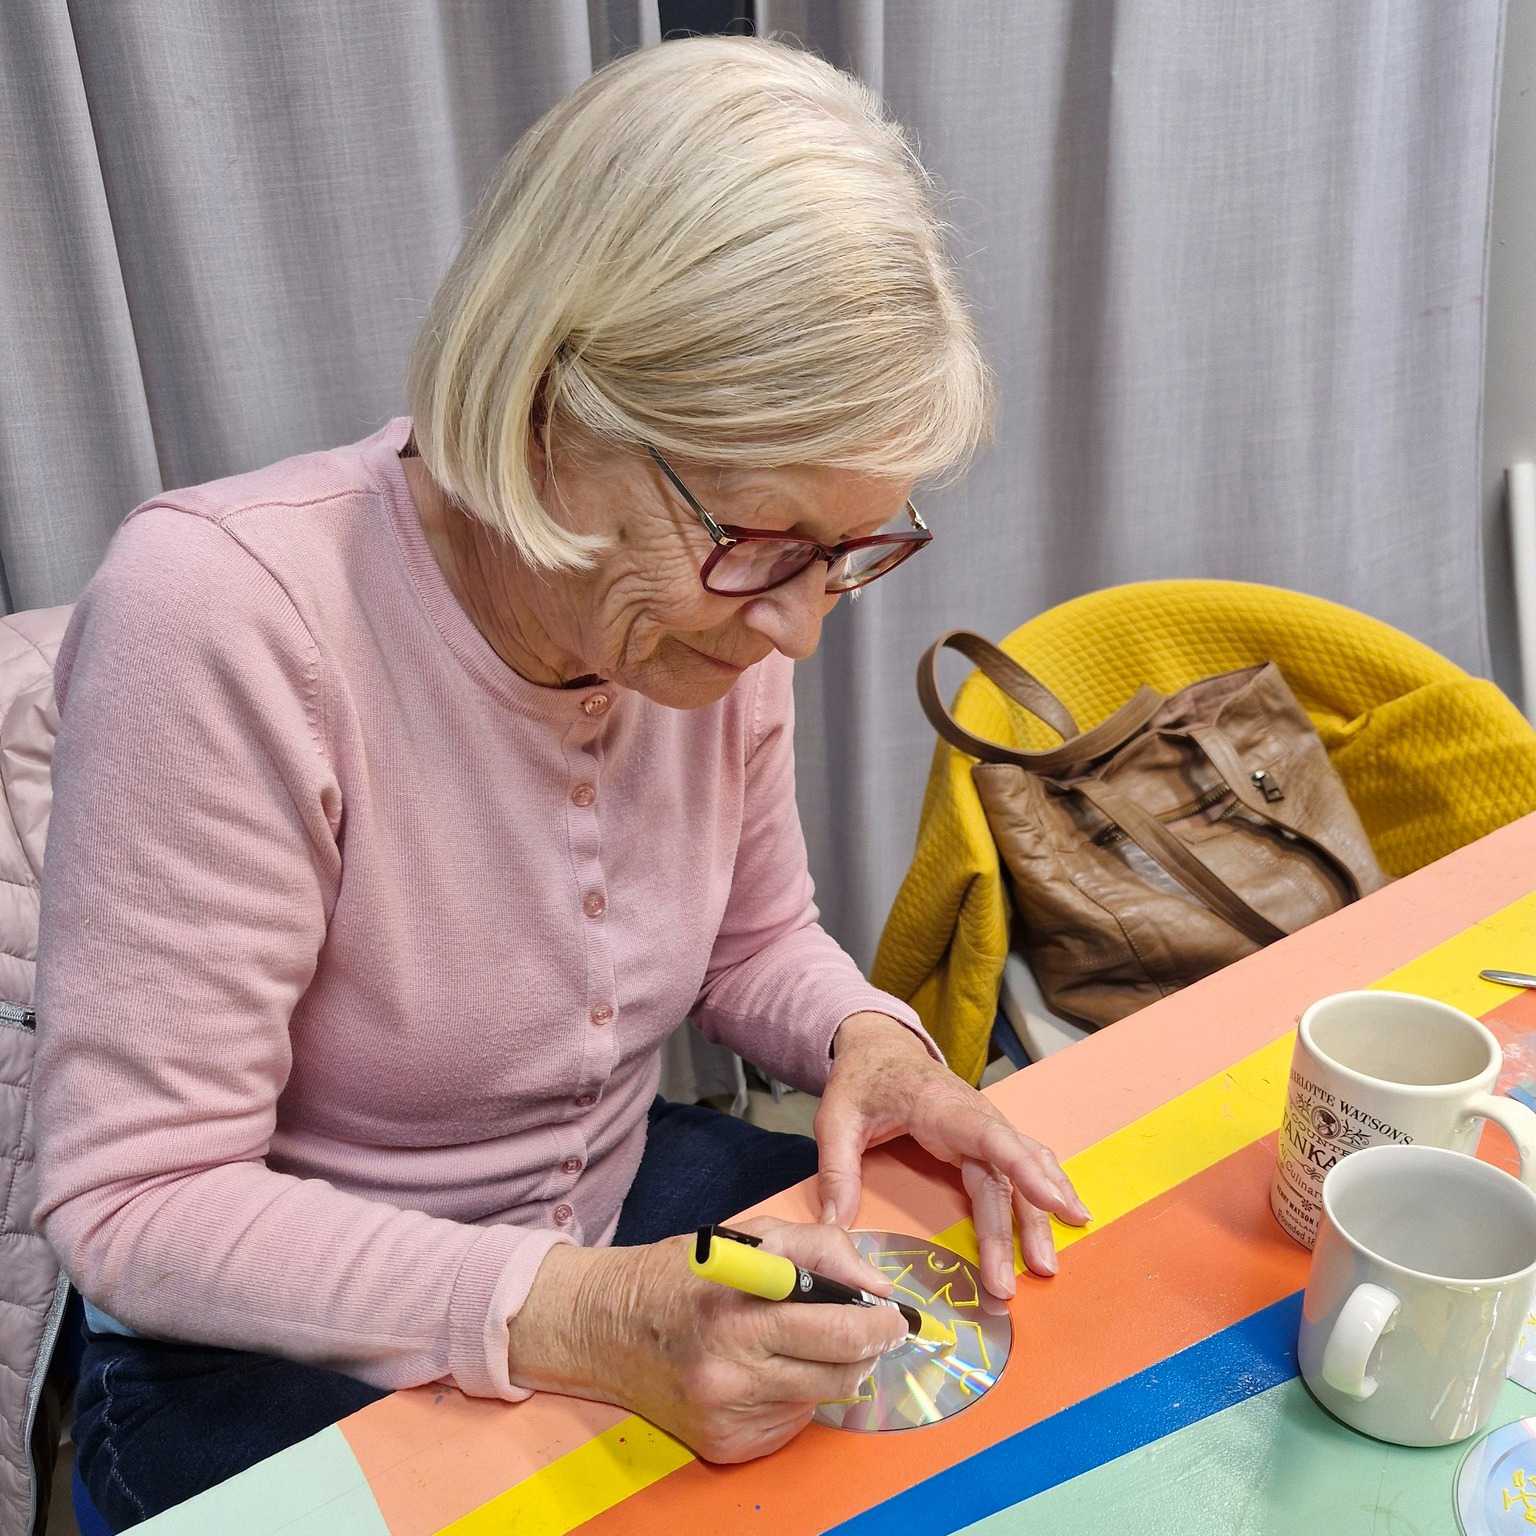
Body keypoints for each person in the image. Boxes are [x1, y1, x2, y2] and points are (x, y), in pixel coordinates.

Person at [33, 35, 1088, 1528]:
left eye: (847, 553)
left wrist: (870, 1039)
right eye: (762, 543)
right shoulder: (226, 615)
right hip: (260, 1337)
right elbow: (136, 1203)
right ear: (545, 412)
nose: (798, 627)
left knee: (1023, 1394)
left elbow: (751, 940)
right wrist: (582, 1316)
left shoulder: (707, 620)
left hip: (609, 1217)